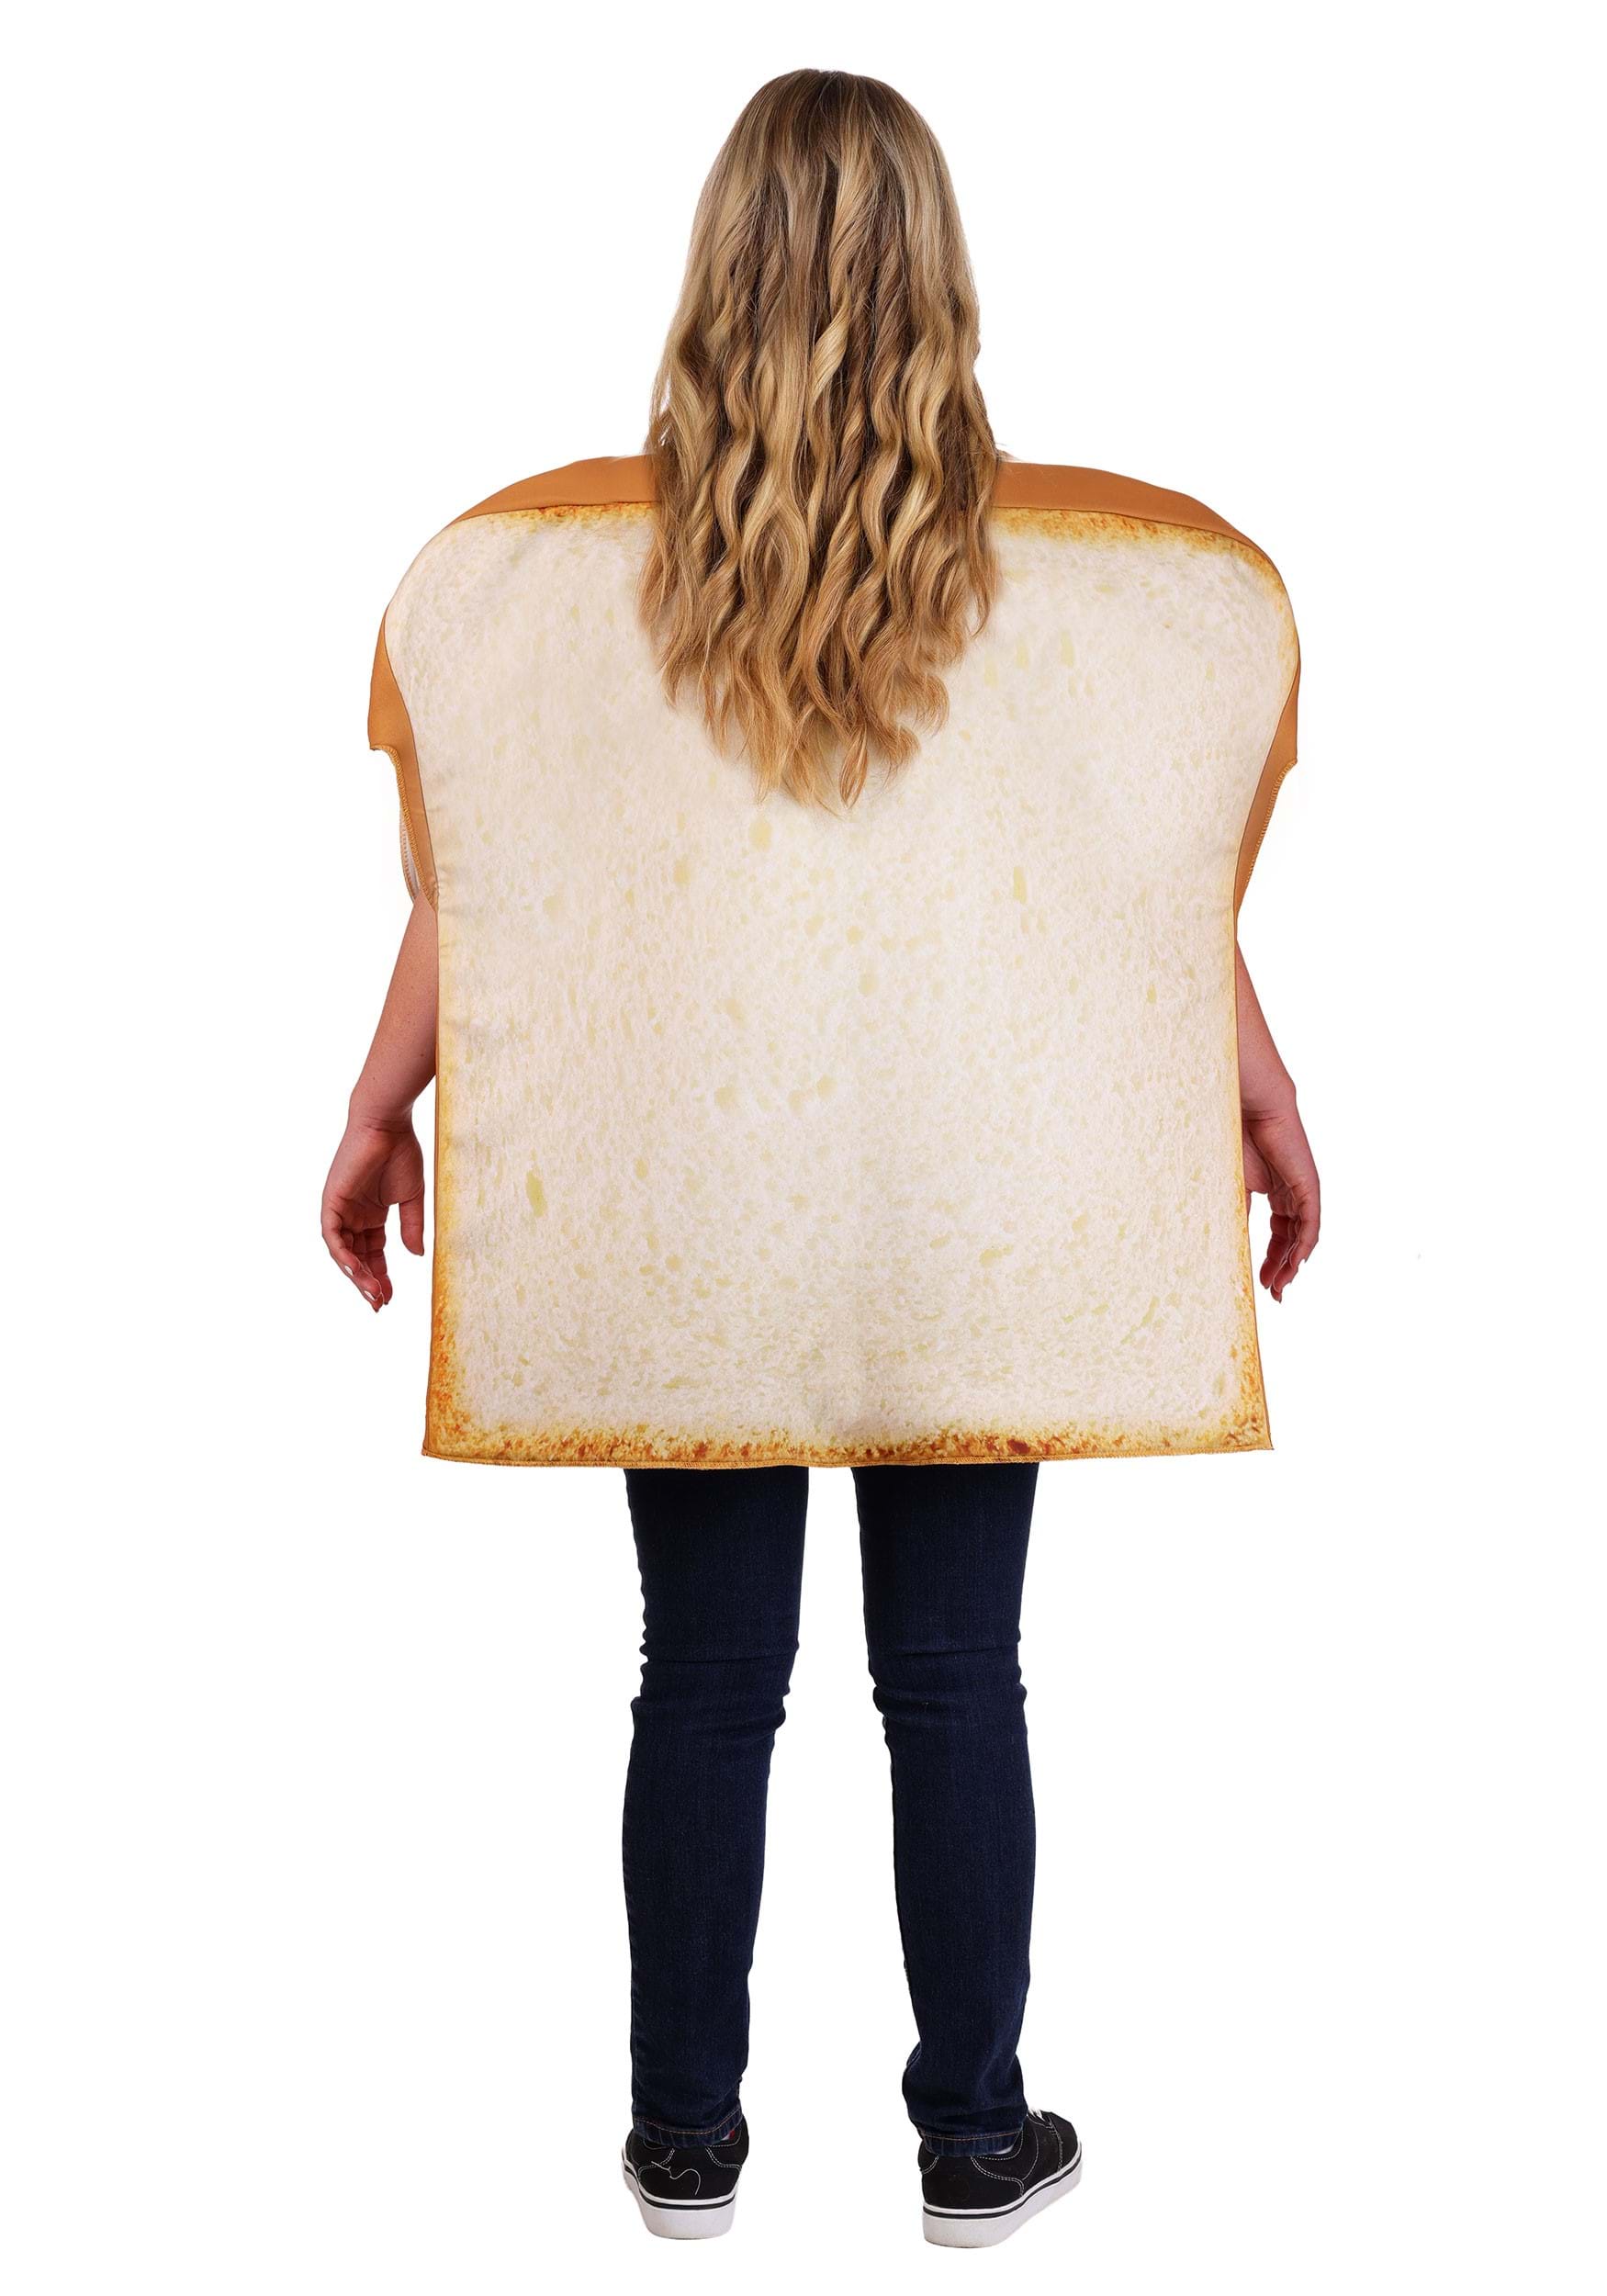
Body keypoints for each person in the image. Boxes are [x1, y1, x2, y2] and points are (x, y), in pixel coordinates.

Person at [321, 69, 1320, 2250]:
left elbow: (487, 881)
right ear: (941, 281)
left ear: (714, 272)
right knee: (954, 1675)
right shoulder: (1088, 579)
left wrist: (379, 1101)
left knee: (702, 1672)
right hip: (969, 1195)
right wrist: (1253, 1082)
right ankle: (972, 2134)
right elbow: (1137, 881)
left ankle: (685, 2135)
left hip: (691, 1202)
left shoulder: (553, 570)